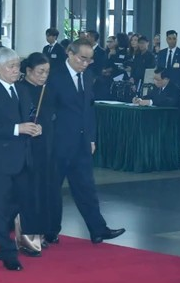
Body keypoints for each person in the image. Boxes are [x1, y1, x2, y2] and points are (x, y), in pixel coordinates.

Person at [46, 38, 126, 244]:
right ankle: (51, 230)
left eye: (89, 60)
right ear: (70, 54)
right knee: (53, 189)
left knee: (86, 188)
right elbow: (46, 112)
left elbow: (89, 110)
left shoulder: (88, 75)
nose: (86, 63)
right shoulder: (54, 77)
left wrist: (91, 138)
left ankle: (98, 229)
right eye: (82, 59)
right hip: (59, 143)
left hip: (82, 143)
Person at [0, 48, 40, 271]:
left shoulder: (21, 90)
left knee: (18, 205)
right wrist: (16, 128)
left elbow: (28, 115)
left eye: (17, 65)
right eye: (11, 66)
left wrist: (33, 127)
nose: (16, 70)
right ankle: (8, 252)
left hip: (22, 158)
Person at [17, 52, 58, 256]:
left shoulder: (47, 90)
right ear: (28, 71)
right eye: (40, 72)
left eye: (47, 72)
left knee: (45, 188)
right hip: (27, 146)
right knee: (29, 190)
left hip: (46, 144)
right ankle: (27, 232)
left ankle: (42, 230)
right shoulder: (21, 89)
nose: (44, 76)